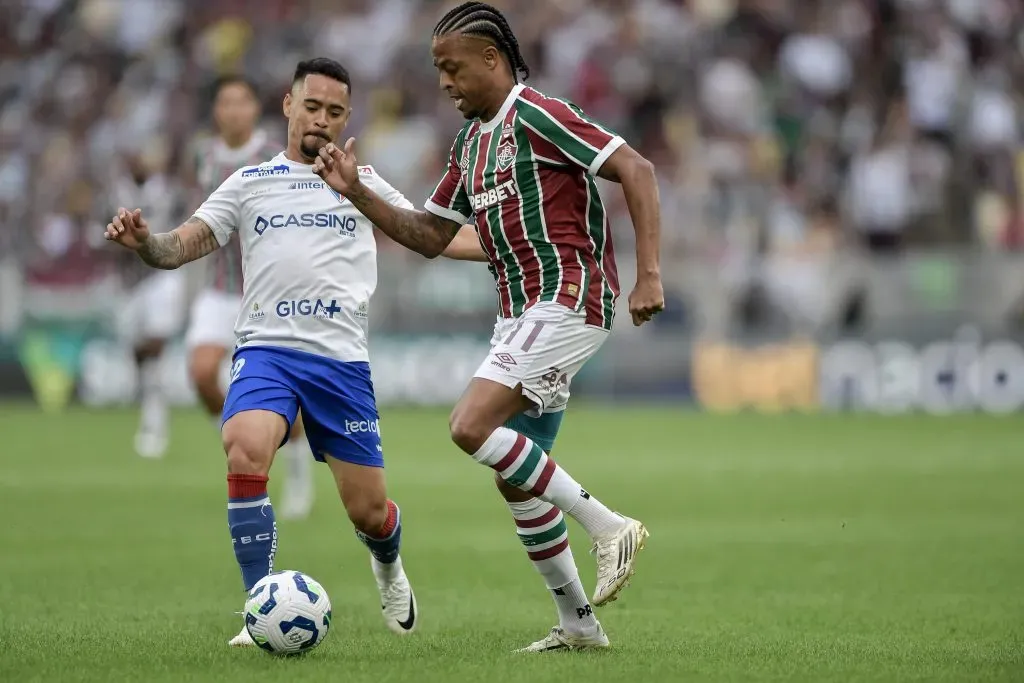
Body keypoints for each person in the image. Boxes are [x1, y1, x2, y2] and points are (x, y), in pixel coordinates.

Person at [313, 1, 665, 653]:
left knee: (469, 425)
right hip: (520, 315)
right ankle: (580, 626)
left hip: (569, 296)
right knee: (515, 474)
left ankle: (609, 525)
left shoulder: (540, 114)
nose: (444, 82)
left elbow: (636, 170)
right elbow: (430, 236)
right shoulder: (471, 145)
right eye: (437, 71)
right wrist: (359, 193)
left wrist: (648, 274)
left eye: (452, 68)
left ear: (491, 59)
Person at [104, 57, 478, 646]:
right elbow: (180, 246)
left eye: (335, 112)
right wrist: (145, 242)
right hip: (267, 352)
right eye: (312, 106)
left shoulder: (363, 180)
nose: (322, 120)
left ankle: (389, 568)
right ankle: (259, 607)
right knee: (245, 449)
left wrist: (512, 246)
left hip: (340, 364)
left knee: (370, 514)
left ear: (347, 118)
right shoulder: (250, 183)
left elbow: (432, 234)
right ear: (287, 105)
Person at [183, 75, 314, 520]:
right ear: (217, 110)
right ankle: (242, 434)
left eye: (243, 101)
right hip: (220, 288)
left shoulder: (274, 157)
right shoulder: (202, 154)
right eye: (226, 102)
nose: (234, 110)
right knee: (202, 373)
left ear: (256, 109)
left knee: (281, 390)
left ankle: (296, 468)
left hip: (267, 291)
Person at [107, 149, 187, 460]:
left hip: (161, 275)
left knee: (156, 345)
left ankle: (155, 421)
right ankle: (148, 400)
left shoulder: (167, 190)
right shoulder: (115, 191)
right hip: (129, 281)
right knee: (137, 348)